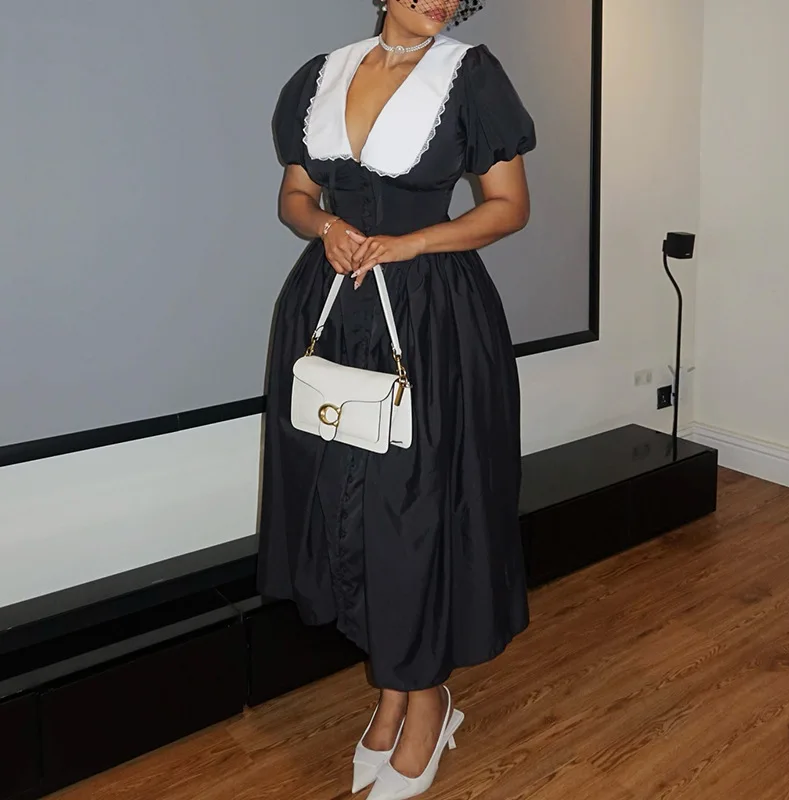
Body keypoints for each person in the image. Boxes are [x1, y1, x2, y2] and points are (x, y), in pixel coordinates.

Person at [257, 0, 535, 797]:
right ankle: (393, 688)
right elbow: (294, 196)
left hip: (430, 318)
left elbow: (510, 208)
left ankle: (427, 697)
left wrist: (411, 244)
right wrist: (325, 228)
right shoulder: (323, 75)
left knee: (415, 508)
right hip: (331, 310)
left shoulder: (470, 76)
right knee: (347, 510)